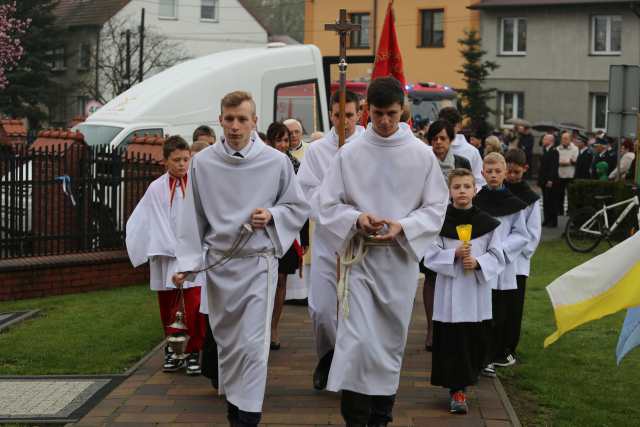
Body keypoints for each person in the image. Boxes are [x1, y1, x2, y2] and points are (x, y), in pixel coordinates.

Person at [316, 77, 449, 426]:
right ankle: (355, 417)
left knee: (389, 343)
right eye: (378, 114)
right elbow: (326, 204)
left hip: (398, 263)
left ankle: (381, 414)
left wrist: (403, 226)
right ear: (366, 112)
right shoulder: (351, 153)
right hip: (360, 260)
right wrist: (356, 218)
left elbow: (436, 207)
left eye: (391, 114)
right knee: (356, 340)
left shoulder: (421, 155)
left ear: (402, 110)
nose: (385, 122)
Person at [173, 91, 310, 427]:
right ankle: (236, 408)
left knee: (253, 344)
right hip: (221, 267)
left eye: (242, 119)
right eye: (229, 119)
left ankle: (248, 417)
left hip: (258, 265)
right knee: (229, 344)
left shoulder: (275, 161)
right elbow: (193, 217)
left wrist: (273, 214)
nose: (235, 126)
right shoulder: (203, 163)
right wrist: (187, 265)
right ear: (220, 119)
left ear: (254, 122)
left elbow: (297, 206)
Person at [297, 89, 365, 390]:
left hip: (360, 241)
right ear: (331, 116)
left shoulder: (368, 145)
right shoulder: (316, 151)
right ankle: (328, 355)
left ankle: (350, 367)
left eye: (349, 115)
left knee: (356, 310)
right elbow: (306, 194)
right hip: (327, 238)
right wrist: (333, 211)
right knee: (324, 309)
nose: (344, 122)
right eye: (338, 116)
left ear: (359, 113)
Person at [424, 168, 503, 414]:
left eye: (467, 187)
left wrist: (479, 262)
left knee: (473, 341)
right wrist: (453, 255)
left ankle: (465, 384)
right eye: (457, 187)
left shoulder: (487, 223)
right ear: (449, 191)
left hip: (475, 293)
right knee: (452, 343)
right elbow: (428, 255)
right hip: (449, 293)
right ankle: (456, 390)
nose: (462, 191)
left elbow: (498, 255)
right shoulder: (440, 222)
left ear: (475, 190)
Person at [126, 136, 207, 376]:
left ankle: (193, 351)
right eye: (177, 160)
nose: (182, 164)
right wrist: (161, 246)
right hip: (166, 257)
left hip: (193, 256)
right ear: (165, 161)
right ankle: (173, 350)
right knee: (169, 306)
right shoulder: (156, 188)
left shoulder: (197, 185)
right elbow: (146, 220)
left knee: (193, 304)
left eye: (186, 159)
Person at [473, 152, 528, 375]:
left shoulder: (515, 205)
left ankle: (494, 355)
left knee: (499, 312)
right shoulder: (477, 200)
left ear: (505, 173)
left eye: (498, 171)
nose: (494, 175)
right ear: (482, 173)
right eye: (490, 171)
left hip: (503, 266)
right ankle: (479, 354)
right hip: (483, 264)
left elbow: (521, 234)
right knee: (482, 311)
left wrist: (501, 250)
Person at [420, 119, 471, 351]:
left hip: (455, 222)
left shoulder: (462, 161)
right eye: (434, 138)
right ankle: (431, 328)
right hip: (430, 223)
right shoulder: (423, 160)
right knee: (431, 275)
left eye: (443, 138)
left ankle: (452, 326)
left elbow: (468, 188)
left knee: (455, 274)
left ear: (451, 140)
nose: (438, 142)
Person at [264, 121, 310, 350]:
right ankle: (262, 326)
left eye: (285, 140)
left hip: (289, 231)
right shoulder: (262, 163)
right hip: (266, 230)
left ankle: (273, 327)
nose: (282, 144)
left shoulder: (295, 164)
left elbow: (301, 203)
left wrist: (305, 238)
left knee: (281, 279)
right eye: (278, 140)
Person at [504, 148, 541, 359]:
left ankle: (510, 346)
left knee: (514, 307)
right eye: (509, 171)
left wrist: (516, 252)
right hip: (497, 259)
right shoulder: (498, 191)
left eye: (516, 172)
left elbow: (533, 233)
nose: (511, 176)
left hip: (517, 263)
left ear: (524, 170)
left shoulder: (531, 199)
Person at [438, 107, 486, 189]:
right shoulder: (431, 149)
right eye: (443, 126)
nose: (446, 130)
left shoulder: (472, 152)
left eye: (451, 126)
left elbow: (480, 182)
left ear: (459, 126)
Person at [538, 134, 560, 227]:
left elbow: (553, 167)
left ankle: (553, 221)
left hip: (550, 181)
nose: (543, 140)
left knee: (552, 201)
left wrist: (550, 180)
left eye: (544, 139)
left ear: (550, 141)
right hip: (544, 180)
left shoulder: (554, 151)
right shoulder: (545, 150)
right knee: (546, 201)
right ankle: (547, 219)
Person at [556, 131, 579, 216]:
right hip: (560, 174)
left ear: (570, 139)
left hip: (570, 174)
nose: (564, 140)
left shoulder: (575, 148)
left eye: (566, 138)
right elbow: (556, 161)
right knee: (559, 194)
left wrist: (564, 162)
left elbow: (574, 160)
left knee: (570, 194)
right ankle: (559, 211)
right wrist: (566, 162)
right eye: (562, 138)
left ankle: (570, 211)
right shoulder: (558, 148)